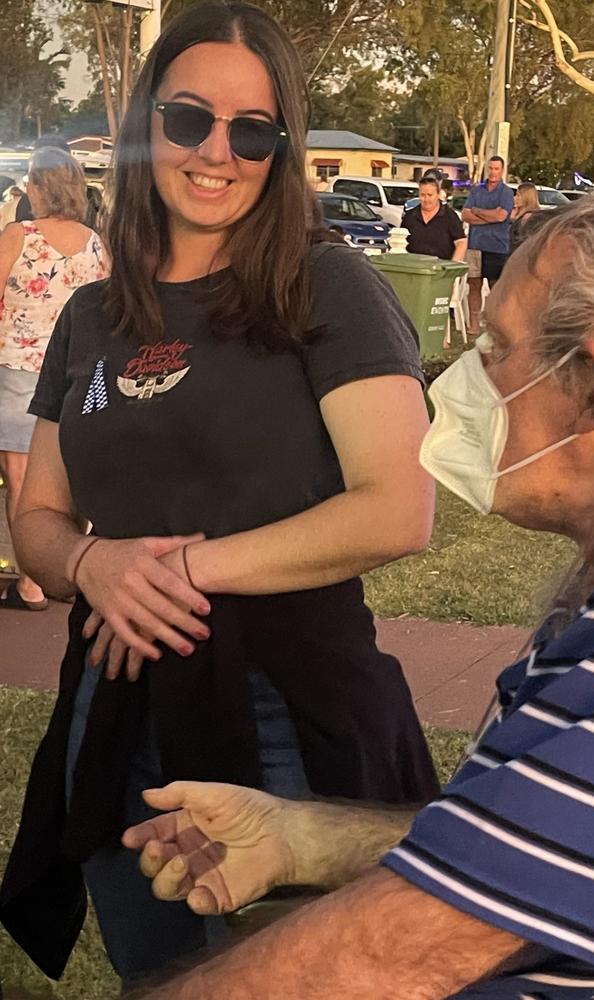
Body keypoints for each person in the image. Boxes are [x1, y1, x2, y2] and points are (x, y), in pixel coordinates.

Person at [0, 0, 438, 987]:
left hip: (284, 707)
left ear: (280, 148)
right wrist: (88, 562)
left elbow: (396, 505)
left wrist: (180, 569)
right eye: (190, 118)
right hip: (114, 712)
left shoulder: (328, 287)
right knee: (159, 978)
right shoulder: (90, 315)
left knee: (288, 975)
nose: (217, 151)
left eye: (252, 130)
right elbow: (36, 517)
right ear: (146, 122)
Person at [123, 186, 594, 1000]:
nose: (463, 382)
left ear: (590, 382)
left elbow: (402, 950)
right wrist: (303, 839)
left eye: (495, 348)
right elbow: (535, 857)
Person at [0, 147, 108, 612]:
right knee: (72, 470)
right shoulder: (96, 243)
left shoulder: (17, 235)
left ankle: (31, 581)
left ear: (40, 186)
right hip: (76, 372)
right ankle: (70, 566)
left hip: (18, 367)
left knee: (21, 477)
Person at [462, 155, 514, 334]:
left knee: (495, 287)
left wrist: (477, 212)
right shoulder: (476, 191)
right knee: (474, 285)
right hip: (475, 244)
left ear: (502, 170)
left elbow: (502, 216)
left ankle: (495, 325)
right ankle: (474, 324)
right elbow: (465, 215)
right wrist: (489, 217)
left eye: (496, 169)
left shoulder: (506, 192)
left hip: (497, 246)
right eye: (490, 168)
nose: (493, 172)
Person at [401, 176, 467, 261]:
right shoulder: (410, 216)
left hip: (441, 268)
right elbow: (400, 242)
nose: (426, 199)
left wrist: (453, 266)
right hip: (414, 267)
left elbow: (461, 242)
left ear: (438, 194)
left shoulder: (450, 216)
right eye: (423, 195)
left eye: (430, 195)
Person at [509, 181, 541, 252]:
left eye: (518, 195)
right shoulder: (516, 213)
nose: (515, 198)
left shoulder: (529, 217)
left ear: (527, 197)